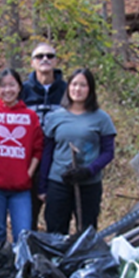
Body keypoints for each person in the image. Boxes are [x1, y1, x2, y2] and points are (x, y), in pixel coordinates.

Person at [38, 68, 116, 234]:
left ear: (90, 89)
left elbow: (108, 152)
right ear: (68, 87)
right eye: (74, 84)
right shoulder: (55, 117)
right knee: (55, 231)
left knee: (86, 231)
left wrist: (89, 170)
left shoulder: (101, 118)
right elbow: (47, 152)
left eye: (83, 85)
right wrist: (43, 186)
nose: (77, 89)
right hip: (58, 182)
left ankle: (82, 260)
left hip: (88, 184)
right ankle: (56, 260)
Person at [0, 68, 43, 248]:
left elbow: (37, 150)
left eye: (12, 85)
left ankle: (20, 272)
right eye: (3, 86)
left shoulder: (30, 117)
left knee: (23, 234)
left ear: (20, 88)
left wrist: (28, 173)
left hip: (21, 189)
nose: (8, 90)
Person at [21, 42, 67, 231]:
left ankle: (56, 255)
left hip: (58, 161)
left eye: (49, 56)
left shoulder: (67, 90)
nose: (45, 59)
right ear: (32, 63)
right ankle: (29, 256)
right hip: (29, 162)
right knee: (28, 215)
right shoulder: (23, 91)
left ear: (56, 61)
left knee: (57, 216)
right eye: (40, 56)